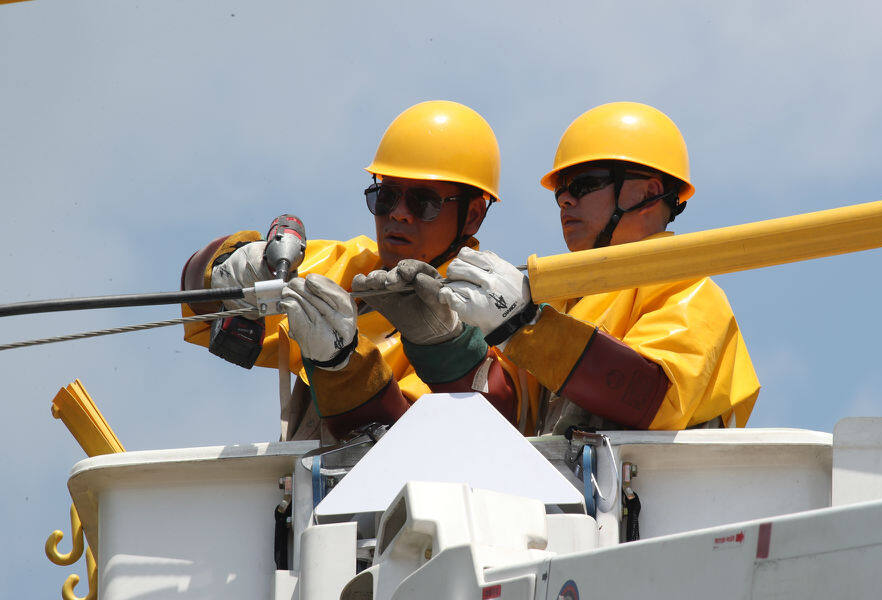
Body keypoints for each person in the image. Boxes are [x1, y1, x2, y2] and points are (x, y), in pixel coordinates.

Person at [179, 101, 521, 441]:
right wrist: (231, 266)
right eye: (386, 196)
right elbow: (198, 303)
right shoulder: (350, 267)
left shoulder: (491, 309)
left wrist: (343, 364)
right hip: (310, 487)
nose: (399, 214)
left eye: (423, 202)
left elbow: (435, 442)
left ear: (473, 214)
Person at [437, 102, 760, 432]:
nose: (565, 200)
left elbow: (651, 399)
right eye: (562, 190)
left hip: (650, 483)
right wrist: (440, 341)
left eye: (584, 184)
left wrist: (525, 324)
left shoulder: (691, 293)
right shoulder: (562, 303)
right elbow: (506, 416)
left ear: (648, 193)